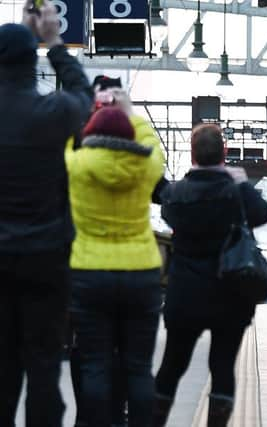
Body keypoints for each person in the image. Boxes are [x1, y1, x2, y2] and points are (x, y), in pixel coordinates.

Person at [0, 1, 93, 425]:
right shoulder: (51, 114)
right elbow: (82, 95)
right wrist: (52, 41)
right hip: (46, 261)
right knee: (43, 367)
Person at [153, 124, 267, 427]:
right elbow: (262, 214)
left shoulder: (176, 194)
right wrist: (243, 183)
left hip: (184, 297)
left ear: (192, 154)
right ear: (225, 154)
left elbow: (162, 201)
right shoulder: (234, 192)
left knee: (171, 367)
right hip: (229, 296)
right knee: (222, 367)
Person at [65, 101, 165, 427]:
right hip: (141, 274)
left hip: (89, 273)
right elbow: (154, 146)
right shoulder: (146, 167)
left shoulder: (76, 165)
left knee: (95, 364)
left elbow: (64, 140)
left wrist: (84, 115)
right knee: (138, 367)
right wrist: (130, 110)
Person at [68, 75, 129, 427]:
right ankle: (115, 416)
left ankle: (88, 418)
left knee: (87, 345)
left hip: (83, 267)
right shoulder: (136, 153)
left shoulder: (75, 150)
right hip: (124, 269)